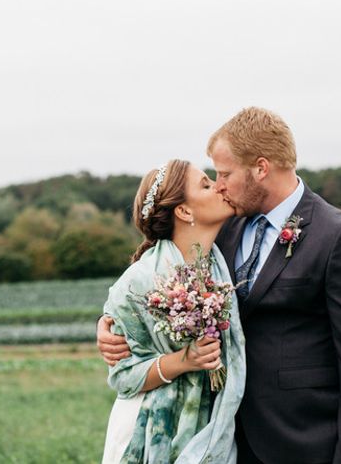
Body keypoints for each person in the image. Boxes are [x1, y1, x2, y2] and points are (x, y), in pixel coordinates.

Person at [99, 108, 341, 464]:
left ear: (260, 168)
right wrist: (109, 325)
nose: (219, 185)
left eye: (225, 173)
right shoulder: (224, 230)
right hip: (224, 438)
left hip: (301, 442)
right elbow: (162, 274)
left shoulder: (337, 236)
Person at [101, 158, 247, 464]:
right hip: (149, 432)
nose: (219, 187)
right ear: (184, 211)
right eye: (206, 185)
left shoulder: (223, 267)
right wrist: (184, 360)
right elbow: (123, 377)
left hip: (211, 430)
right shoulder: (140, 281)